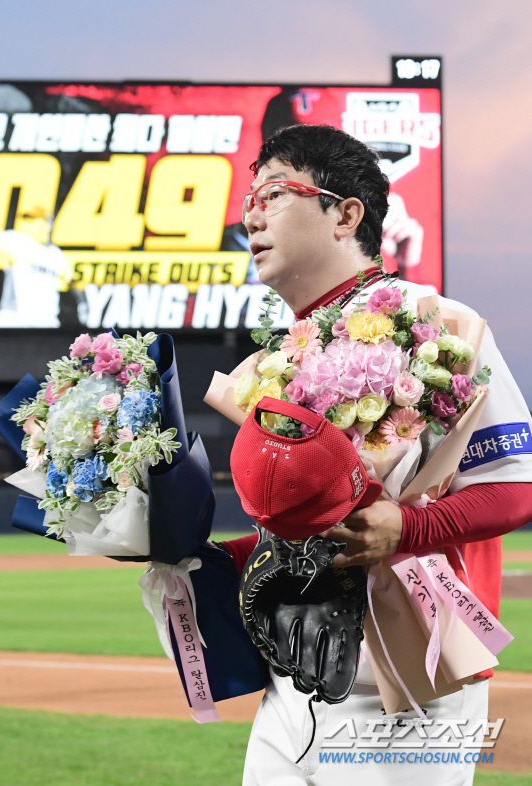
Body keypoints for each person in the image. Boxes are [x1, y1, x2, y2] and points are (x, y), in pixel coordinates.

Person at [223, 123, 532, 785]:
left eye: (273, 194)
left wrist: (409, 527)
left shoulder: (435, 323)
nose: (249, 214)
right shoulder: (274, 358)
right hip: (294, 678)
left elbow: (515, 485)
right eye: (247, 200)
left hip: (411, 684)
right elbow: (309, 533)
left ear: (344, 214)